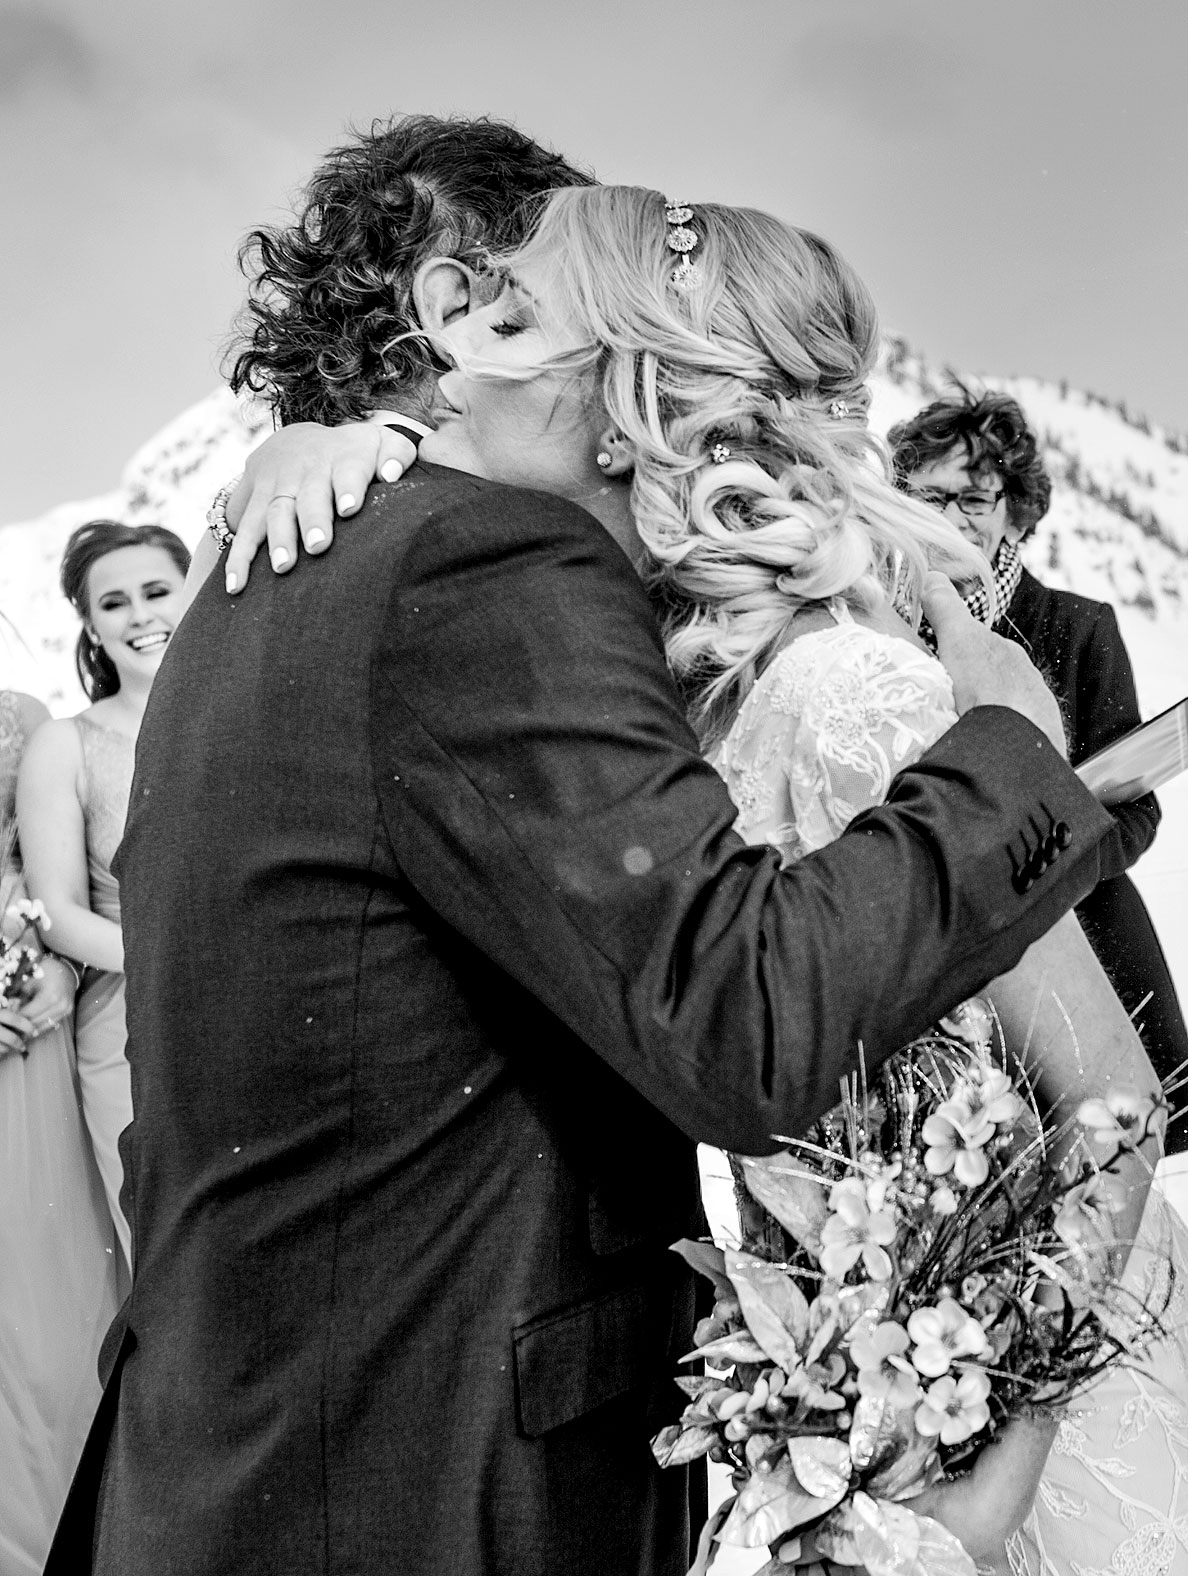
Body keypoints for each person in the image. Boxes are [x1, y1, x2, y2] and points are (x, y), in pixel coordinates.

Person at [46, 122, 1122, 1576]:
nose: (505, 337)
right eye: (504, 304)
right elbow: (742, 1017)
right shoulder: (480, 568)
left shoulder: (271, 578)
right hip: (422, 1483)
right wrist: (1008, 763)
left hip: (248, 1457)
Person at [428, 184, 1188, 1573]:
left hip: (1058, 1411)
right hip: (864, 1407)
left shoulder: (846, 693)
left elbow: (1111, 1104)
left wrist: (990, 1460)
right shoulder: (686, 697)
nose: (482, 366)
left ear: (639, 396)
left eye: (534, 332)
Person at [891, 387, 1188, 1154]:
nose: (949, 516)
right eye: (927, 494)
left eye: (973, 497)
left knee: (1101, 1165)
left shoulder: (1078, 626)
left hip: (1086, 945)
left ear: (1017, 509)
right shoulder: (873, 623)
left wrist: (1049, 864)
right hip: (929, 956)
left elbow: (1137, 812)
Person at [18, 520, 189, 1267]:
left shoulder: (256, 711)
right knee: (173, 1255)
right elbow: (56, 911)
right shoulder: (65, 743)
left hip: (272, 999)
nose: (140, 614)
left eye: (157, 591)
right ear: (89, 624)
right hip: (130, 1025)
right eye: (114, 602)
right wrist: (184, 962)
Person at [0, 687, 109, 1576]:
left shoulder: (21, 717)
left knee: (53, 1272)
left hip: (25, 1011)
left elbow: (58, 884)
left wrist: (63, 972)